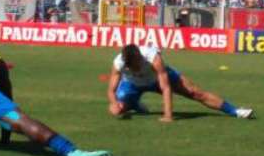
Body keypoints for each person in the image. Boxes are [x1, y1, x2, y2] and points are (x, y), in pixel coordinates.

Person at [107, 44, 254, 121]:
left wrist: (168, 115)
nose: (138, 66)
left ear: (140, 56)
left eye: (139, 62)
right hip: (133, 84)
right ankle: (133, 103)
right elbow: (111, 91)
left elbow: (165, 88)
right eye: (134, 65)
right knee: (118, 110)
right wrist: (114, 103)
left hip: (157, 80)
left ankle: (236, 111)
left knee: (195, 92)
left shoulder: (153, 57)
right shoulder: (118, 63)